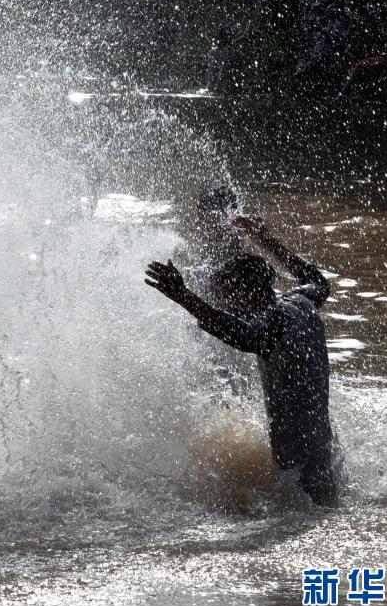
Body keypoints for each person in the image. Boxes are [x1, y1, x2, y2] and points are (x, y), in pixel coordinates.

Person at [145, 215, 342, 505]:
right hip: (327, 454)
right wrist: (264, 240)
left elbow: (245, 335)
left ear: (247, 295)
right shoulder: (301, 302)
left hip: (301, 473)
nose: (226, 308)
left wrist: (184, 297)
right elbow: (316, 279)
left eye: (226, 300)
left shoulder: (274, 323)